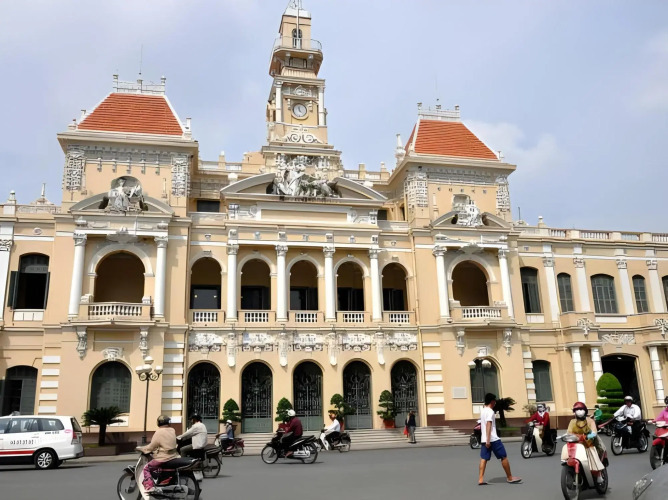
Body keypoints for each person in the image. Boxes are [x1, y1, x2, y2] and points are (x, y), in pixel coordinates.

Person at [478, 393, 521, 485]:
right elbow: (489, 425)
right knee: (503, 457)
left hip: (484, 439)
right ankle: (510, 477)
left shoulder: (483, 411)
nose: (495, 403)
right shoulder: (490, 411)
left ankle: (480, 479)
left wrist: (486, 440)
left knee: (484, 458)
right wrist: (488, 440)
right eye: (494, 401)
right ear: (492, 401)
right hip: (493, 439)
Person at [567, 402, 607, 484]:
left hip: (589, 443)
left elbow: (594, 432)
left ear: (585, 410)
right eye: (577, 410)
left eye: (581, 409)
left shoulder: (590, 421)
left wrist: (589, 435)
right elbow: (569, 433)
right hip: (576, 444)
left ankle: (599, 474)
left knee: (596, 453)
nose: (579, 411)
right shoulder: (572, 422)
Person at [138, 415, 179, 493]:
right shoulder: (172, 430)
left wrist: (142, 448)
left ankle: (149, 487)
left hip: (164, 457)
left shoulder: (159, 432)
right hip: (174, 456)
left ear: (159, 423)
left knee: (146, 468)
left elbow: (152, 446)